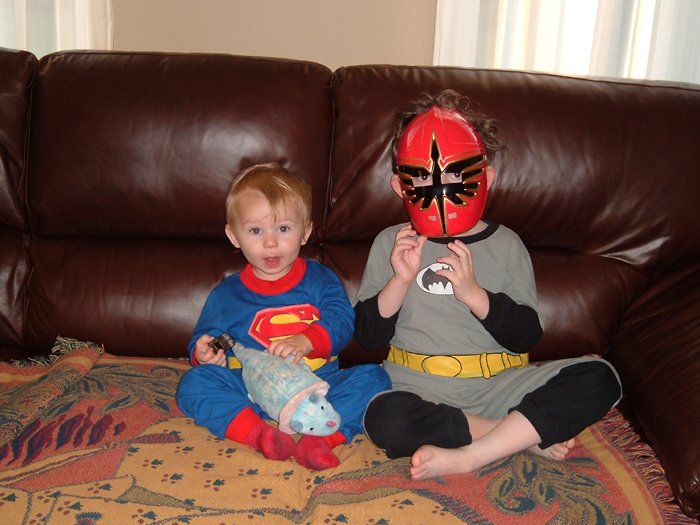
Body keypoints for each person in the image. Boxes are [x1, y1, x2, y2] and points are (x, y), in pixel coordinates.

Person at [354, 90, 622, 480]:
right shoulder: (391, 243)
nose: (438, 188)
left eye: (453, 174)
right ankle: (520, 435)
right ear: (400, 185)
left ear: (486, 178)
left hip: (501, 385)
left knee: (601, 376)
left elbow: (526, 336)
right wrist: (400, 279)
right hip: (418, 386)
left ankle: (471, 455)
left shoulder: (507, 244)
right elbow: (367, 335)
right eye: (423, 177)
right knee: (382, 416)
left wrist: (475, 295)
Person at [177, 162, 390, 471]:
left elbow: (343, 320)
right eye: (255, 230)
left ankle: (322, 439)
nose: (270, 242)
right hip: (249, 390)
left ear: (306, 232)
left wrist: (307, 340)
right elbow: (220, 337)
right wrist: (208, 352)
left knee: (375, 378)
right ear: (234, 236)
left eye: (283, 229)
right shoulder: (227, 295)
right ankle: (259, 434)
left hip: (319, 387)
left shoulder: (320, 280)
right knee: (194, 383)